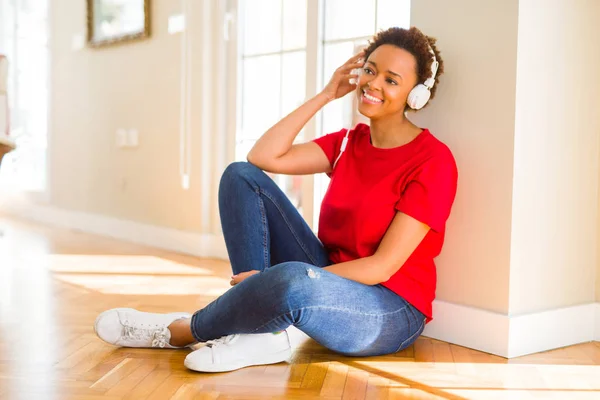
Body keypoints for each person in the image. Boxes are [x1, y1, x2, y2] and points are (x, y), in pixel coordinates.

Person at [94, 26, 458, 373]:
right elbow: (262, 157)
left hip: (388, 309)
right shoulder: (349, 143)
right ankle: (260, 333)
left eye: (391, 80)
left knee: (294, 280)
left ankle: (182, 330)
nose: (373, 83)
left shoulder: (433, 162)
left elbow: (381, 267)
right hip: (327, 277)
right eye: (370, 70)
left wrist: (274, 281)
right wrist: (326, 94)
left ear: (416, 95)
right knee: (239, 176)